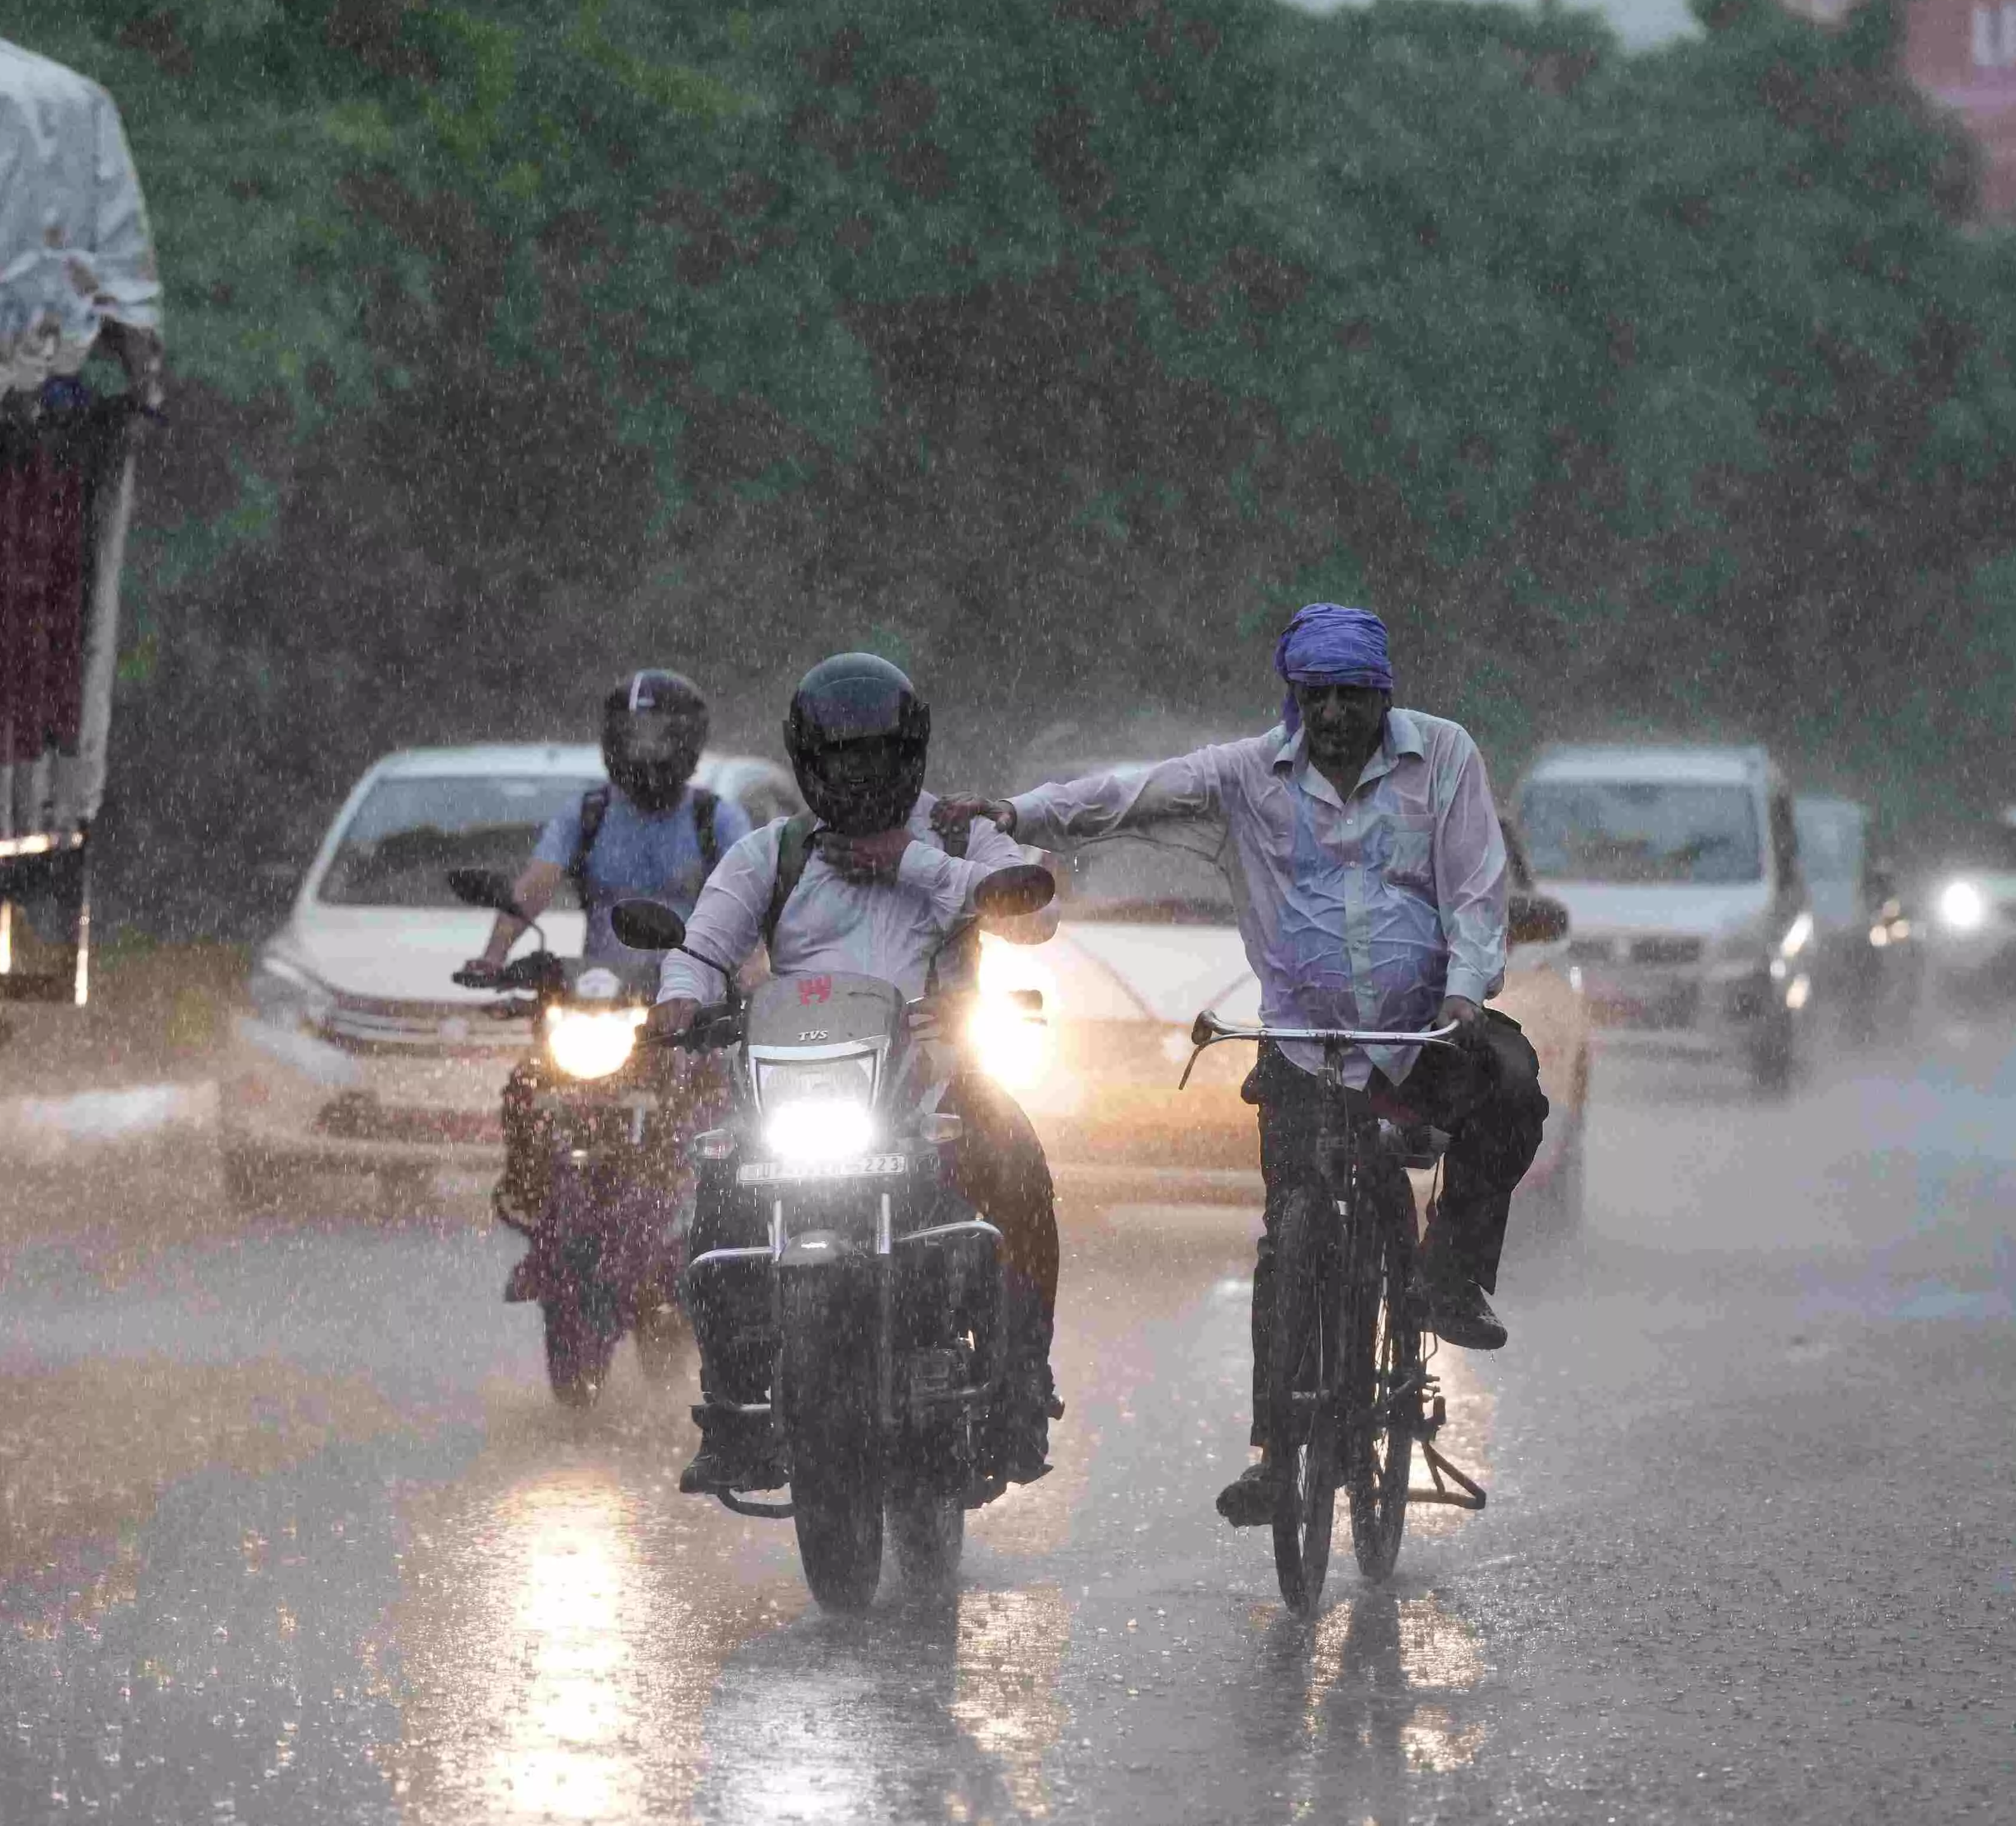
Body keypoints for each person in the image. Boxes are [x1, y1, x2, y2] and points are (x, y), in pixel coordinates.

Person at [932, 602, 1549, 1530]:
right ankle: (1280, 1450)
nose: (1335, 715)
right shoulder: (1245, 777)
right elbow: (1127, 798)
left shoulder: (1446, 758)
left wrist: (1465, 998)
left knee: (1515, 1088)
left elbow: (1474, 892)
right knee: (1290, 1232)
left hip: (1427, 1033)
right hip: (1302, 1046)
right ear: (1293, 701)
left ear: (1385, 699)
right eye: (1318, 698)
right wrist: (1016, 814)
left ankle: (1451, 1275)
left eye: (1353, 697)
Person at [649, 653, 1064, 1496]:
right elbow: (701, 947)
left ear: (908, 752)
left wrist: (909, 862)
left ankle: (1022, 1385)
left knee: (1021, 1168)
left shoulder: (956, 835)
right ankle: (730, 1411)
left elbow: (1037, 916)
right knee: (717, 1204)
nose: (859, 772)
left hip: (939, 1081)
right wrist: (682, 1002)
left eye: (875, 755)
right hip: (800, 1093)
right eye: (840, 758)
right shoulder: (776, 853)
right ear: (811, 761)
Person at [465, 670, 751, 1234]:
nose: (644, 753)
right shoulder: (587, 815)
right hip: (600, 997)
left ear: (688, 743)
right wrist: (495, 956)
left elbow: (751, 905)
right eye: (632, 736)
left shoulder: (717, 819)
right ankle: (527, 1192)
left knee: (730, 1115)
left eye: (659, 737)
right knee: (529, 1084)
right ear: (610, 742)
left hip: (687, 1009)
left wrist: (756, 978)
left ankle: (725, 1221)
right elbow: (534, 888)